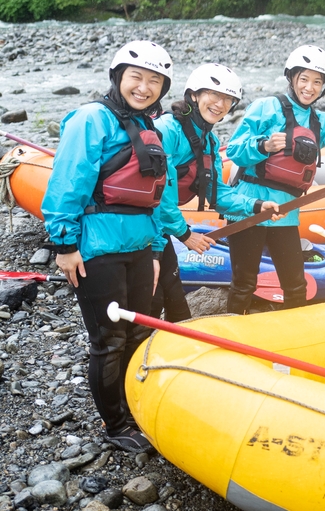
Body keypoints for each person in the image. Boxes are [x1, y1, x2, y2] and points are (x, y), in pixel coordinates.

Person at [42, 40, 174, 453]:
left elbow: (155, 196)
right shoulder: (91, 119)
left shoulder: (149, 127)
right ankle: (116, 425)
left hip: (140, 248)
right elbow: (68, 182)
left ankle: (134, 408)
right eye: (136, 77)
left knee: (138, 334)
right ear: (118, 77)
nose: (144, 87)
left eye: (154, 81)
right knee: (109, 341)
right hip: (97, 250)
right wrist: (64, 245)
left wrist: (156, 251)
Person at [224, 45, 325, 314]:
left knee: (295, 286)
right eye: (304, 79)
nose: (310, 87)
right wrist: (263, 146)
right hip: (249, 208)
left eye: (317, 82)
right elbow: (235, 150)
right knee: (244, 283)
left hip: (285, 213)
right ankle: (231, 328)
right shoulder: (266, 107)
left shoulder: (320, 122)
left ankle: (295, 330)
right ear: (291, 78)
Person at [151, 64, 280, 322]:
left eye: (228, 99)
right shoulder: (167, 129)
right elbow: (160, 191)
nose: (221, 104)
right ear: (194, 94)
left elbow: (217, 193)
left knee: (177, 307)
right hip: (138, 229)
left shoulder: (209, 142)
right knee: (151, 304)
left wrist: (256, 205)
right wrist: (185, 234)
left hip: (159, 231)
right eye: (214, 95)